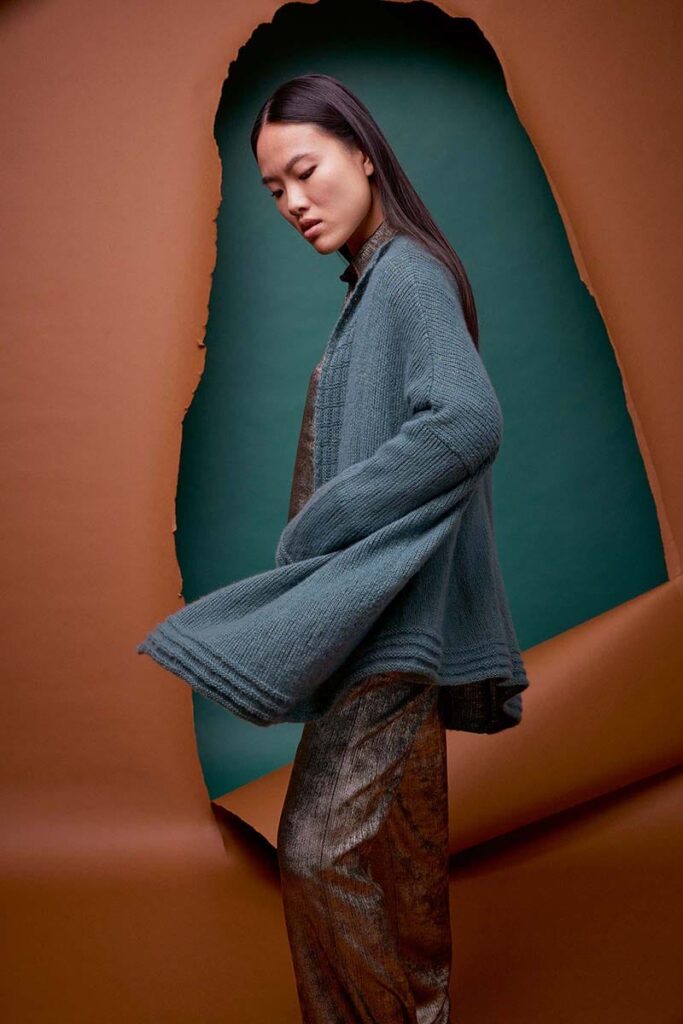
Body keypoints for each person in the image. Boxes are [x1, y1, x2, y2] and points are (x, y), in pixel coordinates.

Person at [248, 73, 528, 1023]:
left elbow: (467, 420)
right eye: (274, 189)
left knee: (316, 852)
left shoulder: (404, 274)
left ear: (363, 154)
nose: (292, 202)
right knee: (404, 862)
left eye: (304, 171)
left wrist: (323, 525)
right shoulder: (378, 281)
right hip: (390, 614)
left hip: (387, 617)